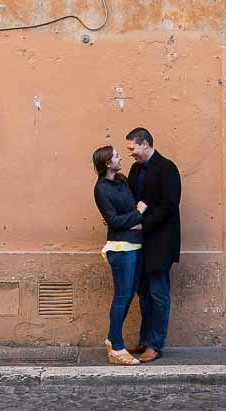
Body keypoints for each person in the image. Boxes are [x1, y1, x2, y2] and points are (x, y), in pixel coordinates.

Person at [125, 127, 181, 363]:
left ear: (145, 144)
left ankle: (156, 345)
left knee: (158, 294)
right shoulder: (135, 168)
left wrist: (143, 225)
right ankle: (146, 339)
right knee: (144, 293)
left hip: (160, 241)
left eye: (133, 148)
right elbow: (130, 198)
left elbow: (170, 206)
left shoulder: (167, 168)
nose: (131, 153)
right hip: (140, 241)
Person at [92, 145, 148, 366]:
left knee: (129, 294)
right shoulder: (101, 189)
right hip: (120, 249)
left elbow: (123, 216)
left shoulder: (122, 180)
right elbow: (114, 221)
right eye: (116, 155)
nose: (120, 157)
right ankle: (116, 347)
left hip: (135, 246)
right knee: (122, 297)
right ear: (107, 163)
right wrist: (137, 215)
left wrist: (133, 219)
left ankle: (112, 338)